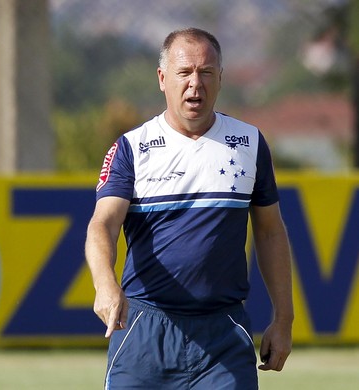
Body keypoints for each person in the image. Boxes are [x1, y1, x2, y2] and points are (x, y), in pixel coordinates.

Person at [86, 28, 293, 389]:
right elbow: (102, 224)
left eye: (206, 72)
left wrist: (284, 319)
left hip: (223, 334)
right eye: (184, 73)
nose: (195, 84)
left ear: (220, 78)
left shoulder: (249, 143)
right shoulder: (132, 148)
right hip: (144, 332)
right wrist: (105, 284)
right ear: (162, 79)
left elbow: (270, 231)